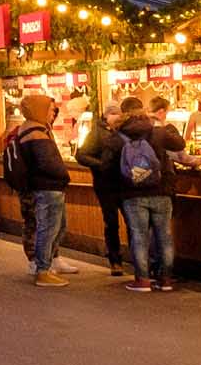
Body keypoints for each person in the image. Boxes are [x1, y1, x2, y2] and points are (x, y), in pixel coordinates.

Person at [114, 102, 182, 291]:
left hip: (132, 193)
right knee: (164, 235)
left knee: (139, 236)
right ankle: (166, 279)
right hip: (161, 191)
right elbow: (180, 144)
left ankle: (142, 280)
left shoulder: (118, 137)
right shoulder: (158, 133)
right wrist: (166, 126)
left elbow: (110, 163)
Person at [4, 92, 70, 287]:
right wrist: (64, 175)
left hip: (45, 186)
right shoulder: (36, 133)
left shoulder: (30, 129)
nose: (52, 113)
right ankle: (43, 270)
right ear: (40, 110)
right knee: (48, 228)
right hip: (47, 187)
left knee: (53, 227)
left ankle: (45, 267)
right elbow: (47, 162)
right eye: (50, 109)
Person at [74, 103, 128, 279]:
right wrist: (101, 165)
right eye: (115, 114)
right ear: (108, 115)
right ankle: (115, 260)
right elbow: (81, 155)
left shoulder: (125, 131)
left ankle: (137, 261)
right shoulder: (97, 132)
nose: (118, 118)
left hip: (126, 183)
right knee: (111, 222)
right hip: (105, 184)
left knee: (132, 222)